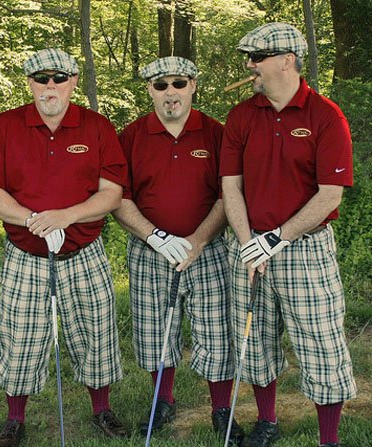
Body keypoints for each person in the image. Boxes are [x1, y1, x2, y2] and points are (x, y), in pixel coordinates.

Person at [0, 48, 129, 447]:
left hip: (84, 250)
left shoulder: (96, 126)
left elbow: (112, 193)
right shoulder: (6, 126)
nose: (50, 85)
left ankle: (102, 409)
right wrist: (34, 220)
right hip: (26, 252)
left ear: (74, 81)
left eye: (59, 78)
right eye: (41, 78)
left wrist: (65, 216)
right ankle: (15, 418)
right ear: (29, 82)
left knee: (96, 331)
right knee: (19, 335)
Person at [220, 23, 358, 447]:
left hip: (304, 249)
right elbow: (230, 185)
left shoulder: (325, 116)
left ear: (286, 60)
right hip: (247, 245)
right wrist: (248, 242)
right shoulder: (242, 115)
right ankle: (267, 422)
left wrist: (277, 238)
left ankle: (328, 439)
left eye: (257, 58)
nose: (250, 66)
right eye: (249, 58)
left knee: (320, 342)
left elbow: (329, 194)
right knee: (255, 340)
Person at [112, 56, 244, 444]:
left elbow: (228, 193)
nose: (171, 92)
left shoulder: (216, 133)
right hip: (151, 250)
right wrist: (155, 237)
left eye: (179, 83)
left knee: (217, 331)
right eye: (161, 85)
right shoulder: (132, 135)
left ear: (193, 86)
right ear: (149, 90)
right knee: (154, 332)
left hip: (207, 249)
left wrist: (199, 240)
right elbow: (119, 197)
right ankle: (162, 403)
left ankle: (222, 410)